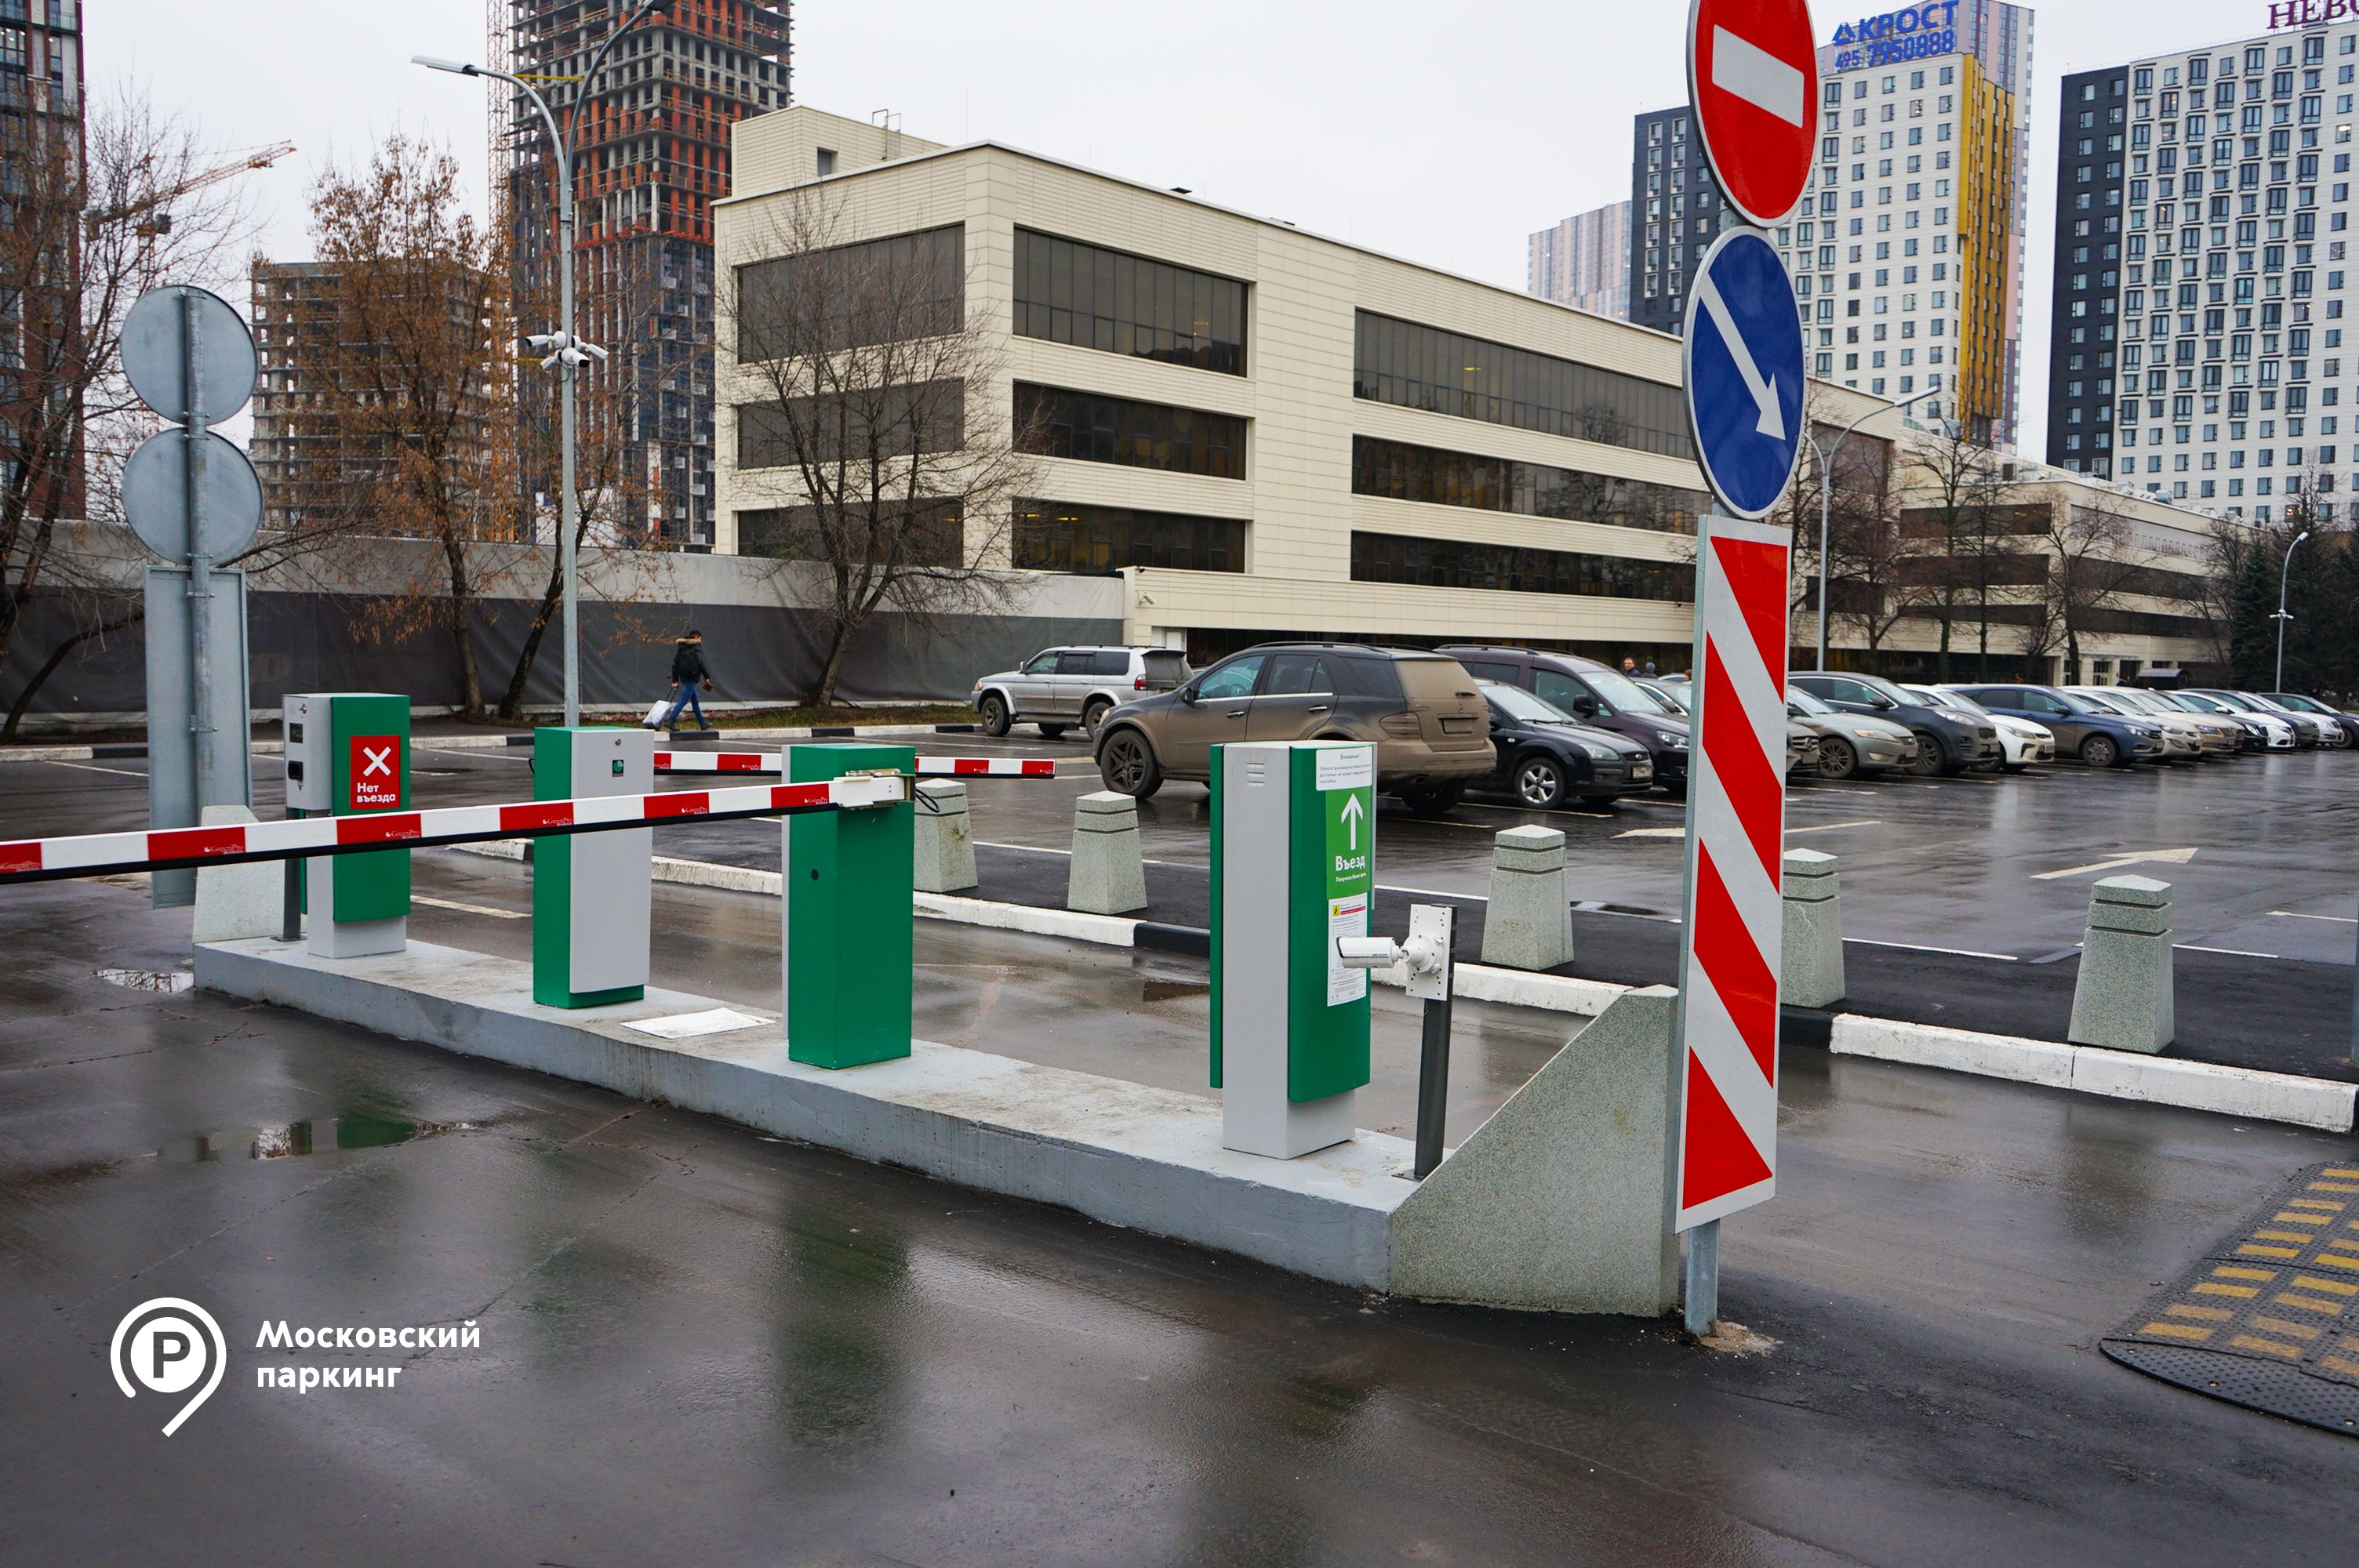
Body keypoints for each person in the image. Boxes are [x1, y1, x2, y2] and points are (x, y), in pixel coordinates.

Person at [662, 630, 712, 731]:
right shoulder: (696, 647)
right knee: (683, 701)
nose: (701, 641)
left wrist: (675, 680)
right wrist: (707, 676)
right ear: (696, 637)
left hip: (684, 677)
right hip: (692, 677)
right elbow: (700, 662)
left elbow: (675, 664)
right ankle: (671, 720)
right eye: (700, 639)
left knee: (695, 702)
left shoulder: (682, 647)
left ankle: (703, 723)